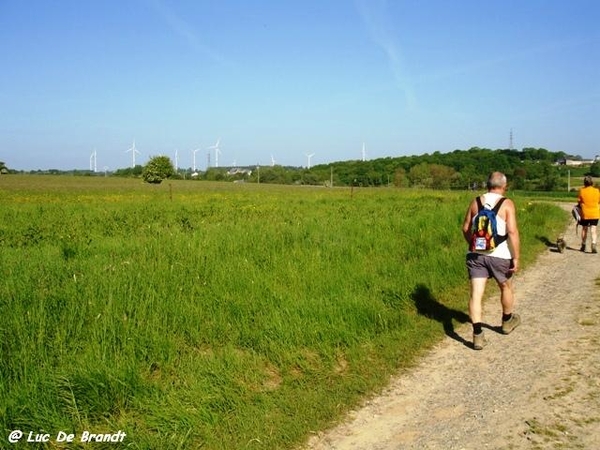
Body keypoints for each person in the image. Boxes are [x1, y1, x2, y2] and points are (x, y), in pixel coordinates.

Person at [461, 172, 521, 350]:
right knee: (506, 287)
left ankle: (477, 335)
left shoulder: (475, 202)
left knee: (476, 294)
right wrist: (516, 257)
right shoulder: (507, 203)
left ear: (487, 185)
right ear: (504, 186)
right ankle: (507, 322)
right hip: (500, 255)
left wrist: (474, 244)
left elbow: (465, 228)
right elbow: (512, 232)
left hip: (476, 255)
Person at [577, 175, 600, 253]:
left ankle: (583, 245)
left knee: (584, 228)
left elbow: (579, 202)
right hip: (595, 213)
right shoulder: (597, 191)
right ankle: (593, 244)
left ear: (584, 183)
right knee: (593, 229)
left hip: (585, 213)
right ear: (592, 182)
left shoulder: (582, 191)